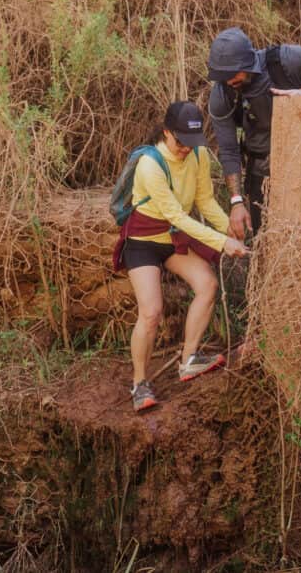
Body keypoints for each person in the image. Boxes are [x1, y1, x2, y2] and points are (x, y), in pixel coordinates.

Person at [113, 101, 249, 412]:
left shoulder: (198, 154)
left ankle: (189, 359)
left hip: (173, 237)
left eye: (192, 143)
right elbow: (178, 215)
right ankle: (140, 384)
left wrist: (230, 226)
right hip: (144, 241)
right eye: (180, 143)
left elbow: (205, 201)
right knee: (151, 313)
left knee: (207, 285)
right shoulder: (150, 165)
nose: (186, 150)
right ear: (166, 133)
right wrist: (222, 242)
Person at [206, 27, 301, 236]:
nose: (229, 81)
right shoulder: (222, 93)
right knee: (265, 237)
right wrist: (236, 202)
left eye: (232, 74)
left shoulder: (282, 60)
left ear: (248, 63)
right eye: (223, 76)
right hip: (261, 171)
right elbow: (229, 150)